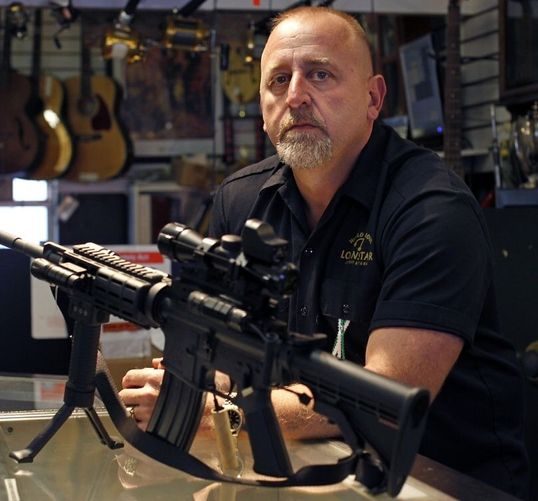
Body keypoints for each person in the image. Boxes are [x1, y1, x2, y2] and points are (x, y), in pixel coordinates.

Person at [120, 7, 530, 498]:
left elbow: (383, 400)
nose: (296, 96)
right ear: (263, 107)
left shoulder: (432, 210)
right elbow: (226, 349)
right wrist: (185, 382)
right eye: (278, 81)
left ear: (373, 98)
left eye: (320, 74)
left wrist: (218, 414)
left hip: (440, 480)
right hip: (307, 465)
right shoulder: (240, 200)